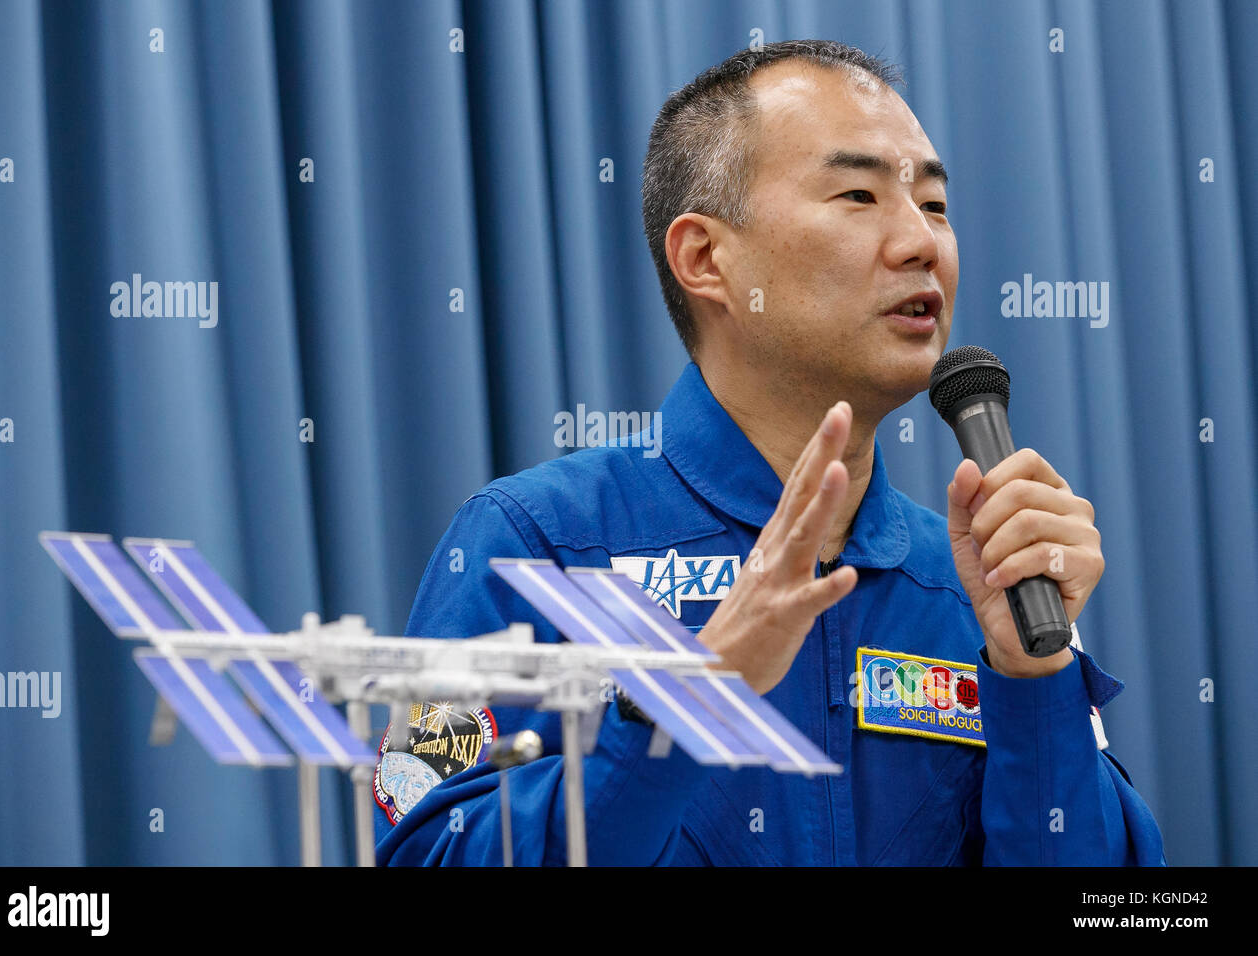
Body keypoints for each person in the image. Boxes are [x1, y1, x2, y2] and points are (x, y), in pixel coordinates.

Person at [373, 39, 1166, 866]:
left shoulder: (977, 584)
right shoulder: (531, 545)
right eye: (858, 194)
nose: (921, 243)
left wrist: (1031, 681)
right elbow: (426, 850)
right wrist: (680, 707)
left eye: (934, 204)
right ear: (706, 259)